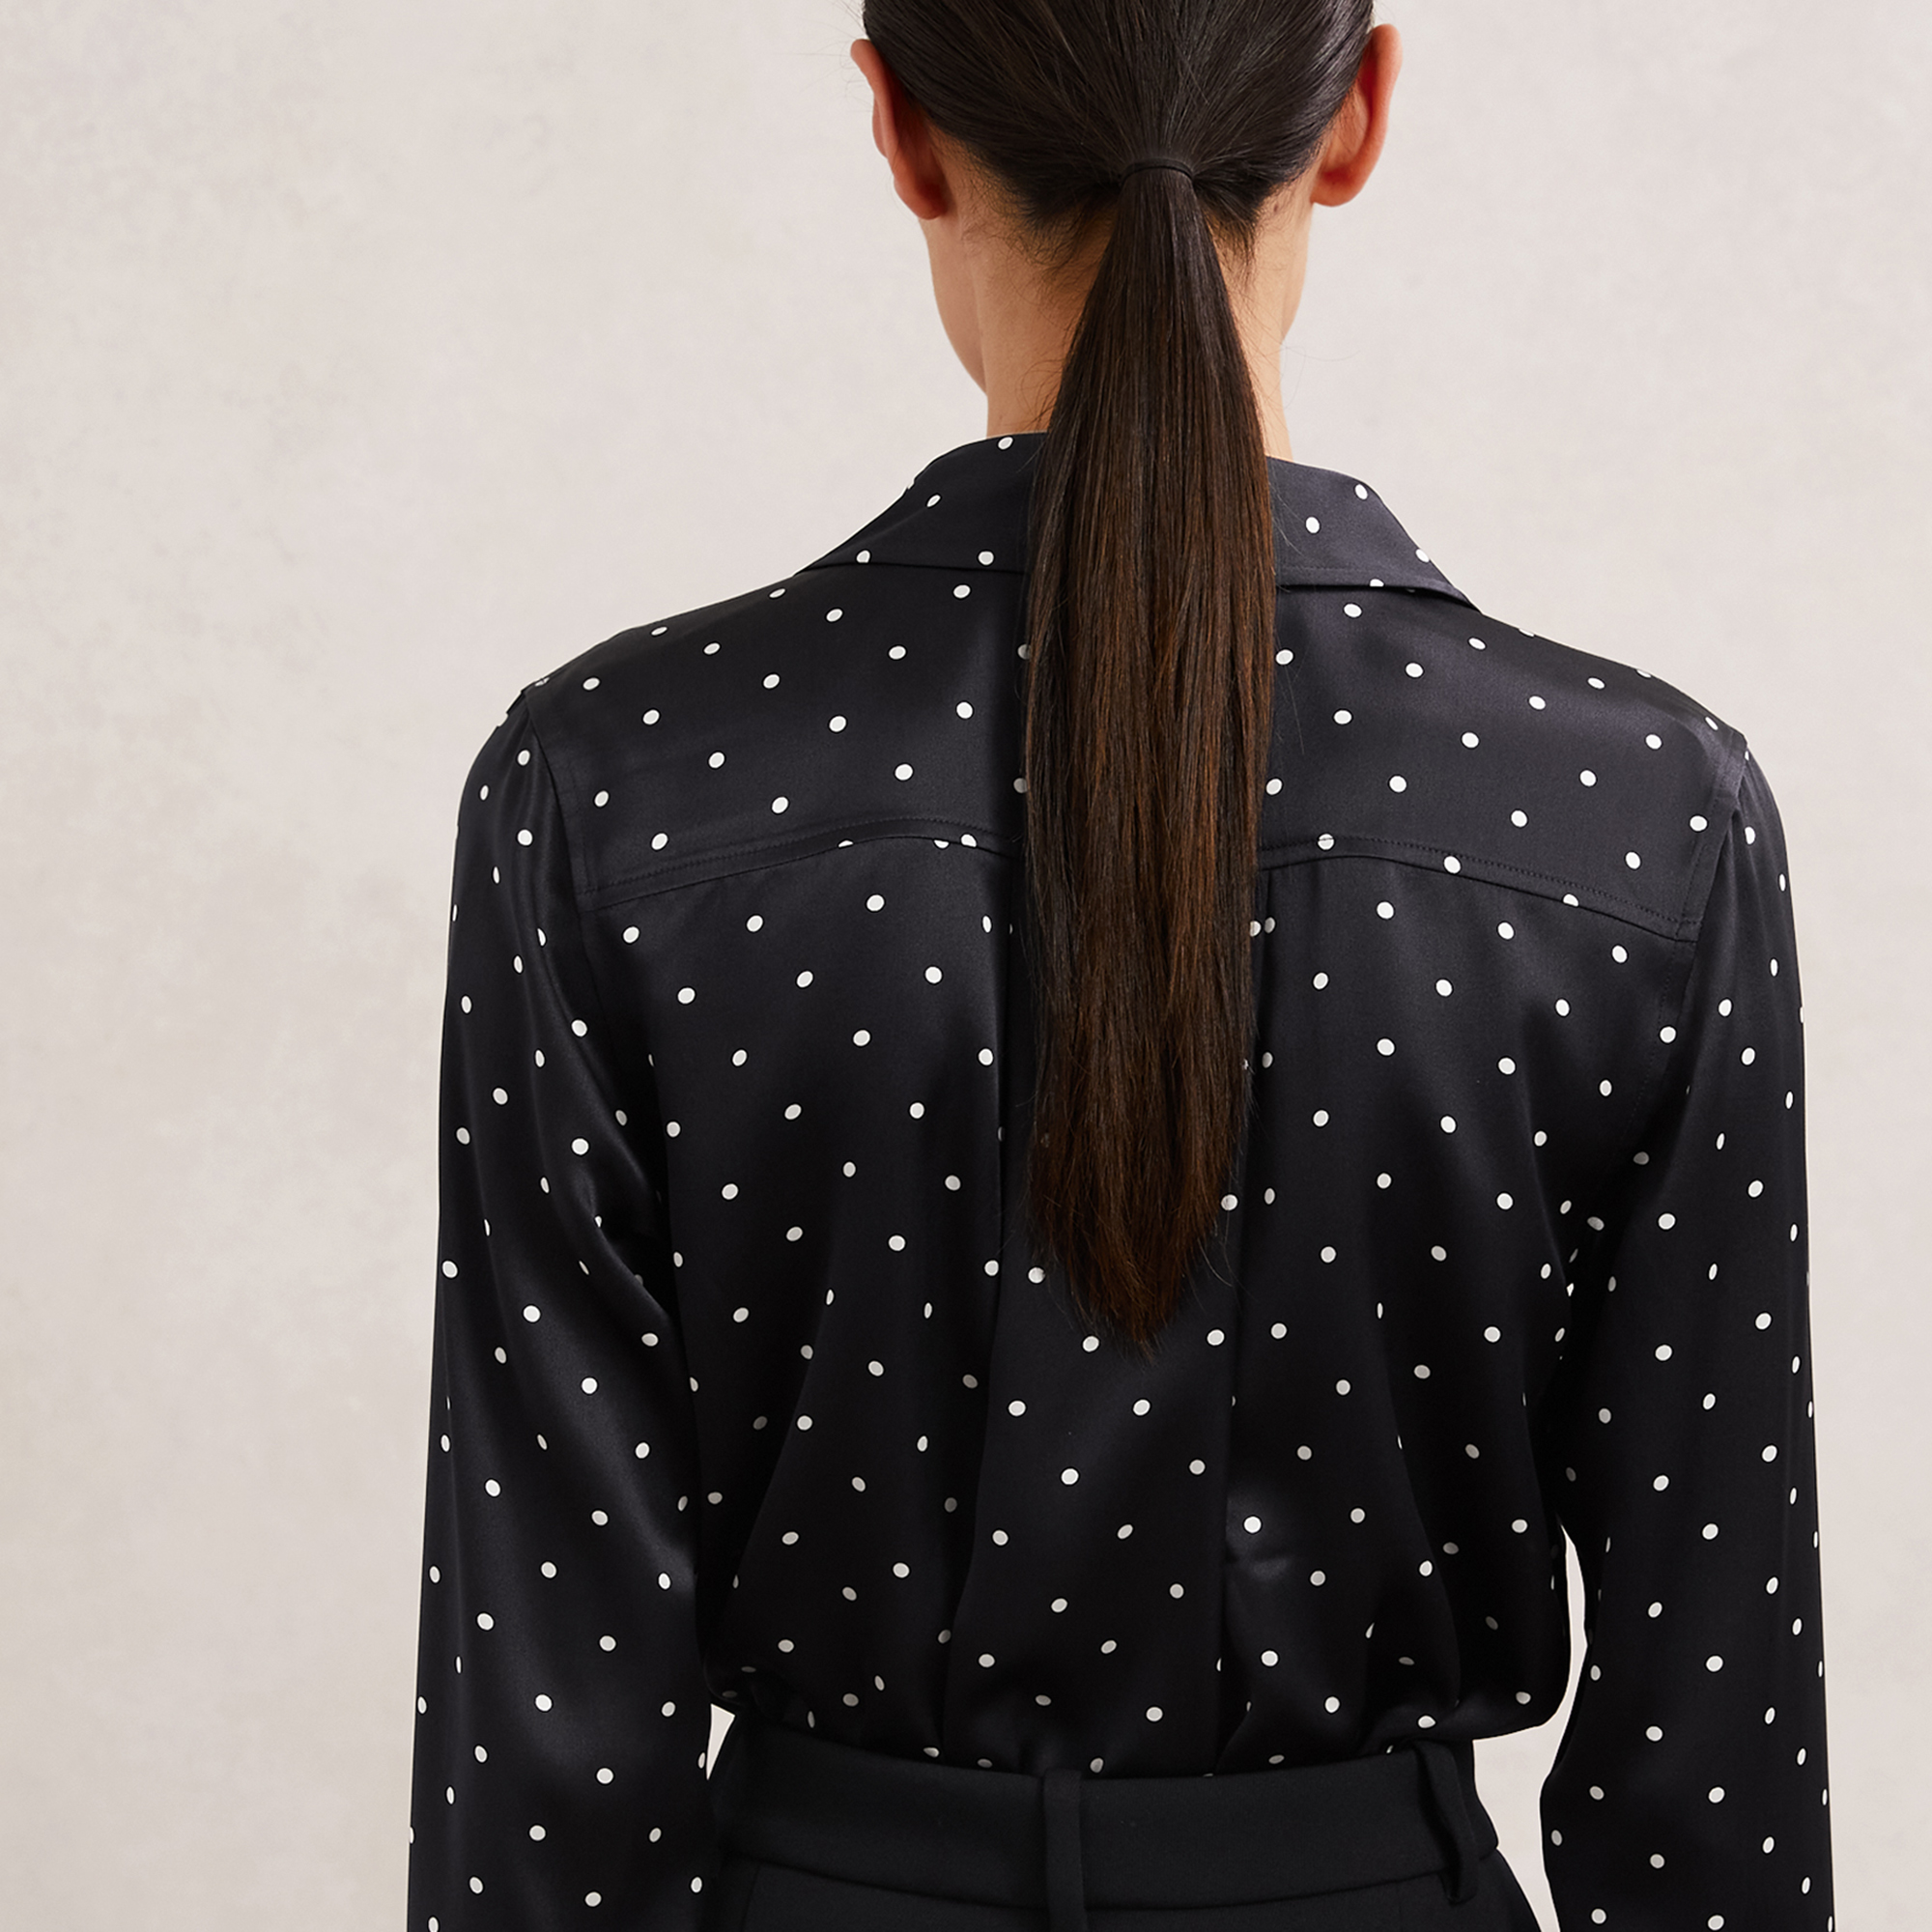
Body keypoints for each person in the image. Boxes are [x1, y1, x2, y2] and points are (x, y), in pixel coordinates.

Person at [405, 4, 1834, 1927]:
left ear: (903, 128)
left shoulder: (621, 784)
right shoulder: (1637, 816)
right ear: (1353, 114)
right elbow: (1710, 1748)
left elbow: (553, 1728)